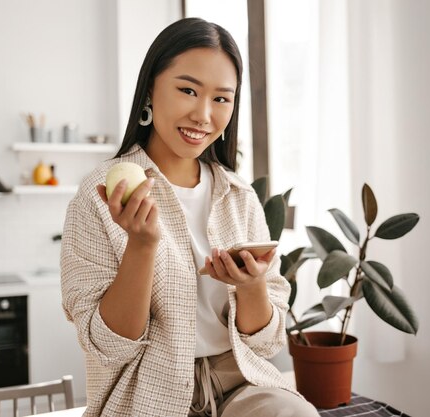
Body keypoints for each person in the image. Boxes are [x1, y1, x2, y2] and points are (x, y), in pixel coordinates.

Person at [60, 17, 319, 417]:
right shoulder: (100, 196)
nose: (203, 115)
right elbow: (109, 347)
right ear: (150, 89)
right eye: (187, 90)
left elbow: (266, 343)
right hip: (147, 392)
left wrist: (251, 286)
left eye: (221, 99)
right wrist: (142, 246)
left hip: (240, 384)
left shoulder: (240, 197)